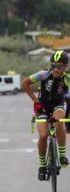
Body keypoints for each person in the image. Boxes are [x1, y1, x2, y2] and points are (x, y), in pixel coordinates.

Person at [22, 50, 70, 180]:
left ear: (65, 67)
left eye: (59, 66)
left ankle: (62, 154)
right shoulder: (43, 74)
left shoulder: (67, 78)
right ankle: (42, 166)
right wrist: (36, 101)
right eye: (53, 66)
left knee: (59, 119)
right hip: (42, 107)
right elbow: (24, 83)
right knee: (43, 135)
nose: (55, 69)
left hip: (58, 105)